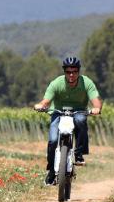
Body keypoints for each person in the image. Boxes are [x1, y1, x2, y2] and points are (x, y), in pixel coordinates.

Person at [34, 57, 102, 186]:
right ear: (64, 71)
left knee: (81, 121)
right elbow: (46, 101)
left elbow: (95, 99)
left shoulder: (86, 82)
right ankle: (51, 171)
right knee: (53, 140)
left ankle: (79, 153)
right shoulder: (56, 83)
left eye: (75, 71)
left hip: (78, 112)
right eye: (68, 71)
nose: (71, 74)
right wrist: (40, 105)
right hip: (58, 112)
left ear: (79, 71)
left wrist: (97, 108)